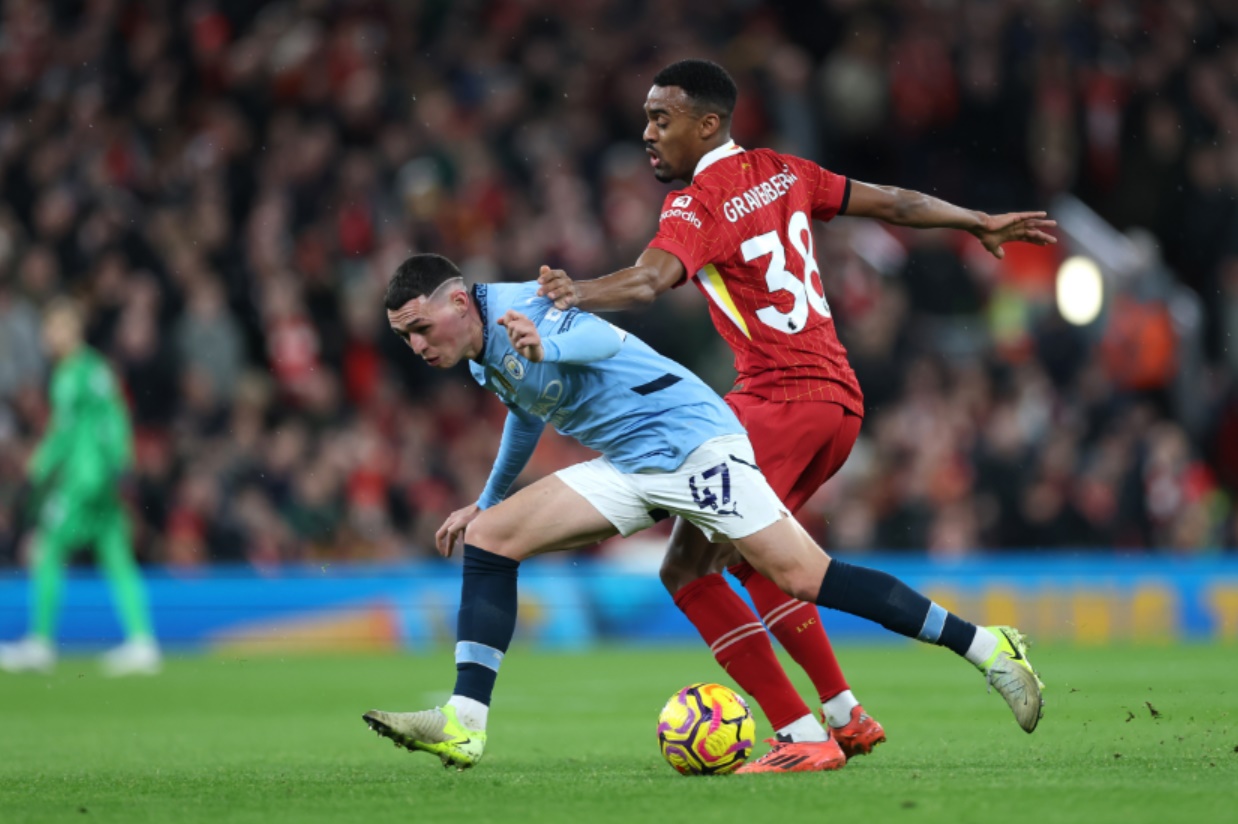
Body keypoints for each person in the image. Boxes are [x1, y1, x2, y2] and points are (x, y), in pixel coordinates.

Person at [537, 58, 1057, 771]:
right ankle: (844, 716)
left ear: (707, 123)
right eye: (648, 118)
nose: (648, 133)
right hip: (837, 402)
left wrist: (574, 292)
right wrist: (975, 220)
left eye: (663, 118)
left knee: (689, 572)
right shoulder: (785, 171)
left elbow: (652, 280)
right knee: (755, 558)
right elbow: (896, 204)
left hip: (775, 400)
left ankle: (819, 725)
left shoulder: (696, 204)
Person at [362, 253, 1042, 771]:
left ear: (458, 301)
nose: (417, 347)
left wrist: (549, 346)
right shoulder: (485, 351)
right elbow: (523, 411)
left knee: (806, 576)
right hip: (630, 462)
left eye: (421, 328)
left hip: (692, 445)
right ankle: (465, 719)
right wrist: (484, 499)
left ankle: (987, 646)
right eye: (405, 338)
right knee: (491, 535)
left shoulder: (528, 309)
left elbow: (598, 341)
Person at [0, 299, 161, 676]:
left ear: (71, 330)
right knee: (116, 554)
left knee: (49, 546)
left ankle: (40, 642)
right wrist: (120, 465)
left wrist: (39, 466)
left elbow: (78, 429)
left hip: (85, 479)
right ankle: (142, 640)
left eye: (52, 328)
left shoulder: (77, 373)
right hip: (101, 477)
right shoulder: (90, 370)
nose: (46, 336)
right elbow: (109, 418)